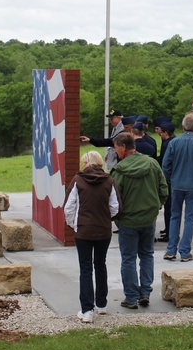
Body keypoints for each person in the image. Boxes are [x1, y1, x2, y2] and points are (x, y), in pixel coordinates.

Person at [111, 133, 169, 309]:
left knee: (128, 258)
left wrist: (117, 218)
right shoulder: (152, 164)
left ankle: (131, 297)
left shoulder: (119, 171)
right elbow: (164, 189)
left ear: (122, 147)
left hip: (128, 221)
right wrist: (156, 207)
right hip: (148, 219)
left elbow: (114, 199)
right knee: (147, 255)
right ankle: (145, 293)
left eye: (115, 147)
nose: (115, 151)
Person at [63, 150, 120, 323]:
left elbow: (69, 207)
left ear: (85, 163)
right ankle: (101, 304)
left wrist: (74, 224)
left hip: (84, 230)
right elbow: (115, 207)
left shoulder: (78, 180)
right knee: (100, 264)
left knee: (85, 268)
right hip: (103, 229)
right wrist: (105, 219)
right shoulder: (109, 180)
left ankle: (87, 310)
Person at [161, 113, 193, 262]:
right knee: (190, 218)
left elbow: (165, 165)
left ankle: (171, 249)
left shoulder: (174, 143)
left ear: (183, 127)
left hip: (176, 184)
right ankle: (185, 251)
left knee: (174, 216)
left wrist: (170, 179)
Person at [153, 116, 176, 242]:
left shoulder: (169, 144)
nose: (159, 133)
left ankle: (169, 233)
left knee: (169, 208)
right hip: (171, 178)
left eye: (160, 131)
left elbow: (166, 161)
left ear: (165, 132)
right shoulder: (170, 141)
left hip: (169, 179)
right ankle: (168, 230)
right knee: (169, 207)